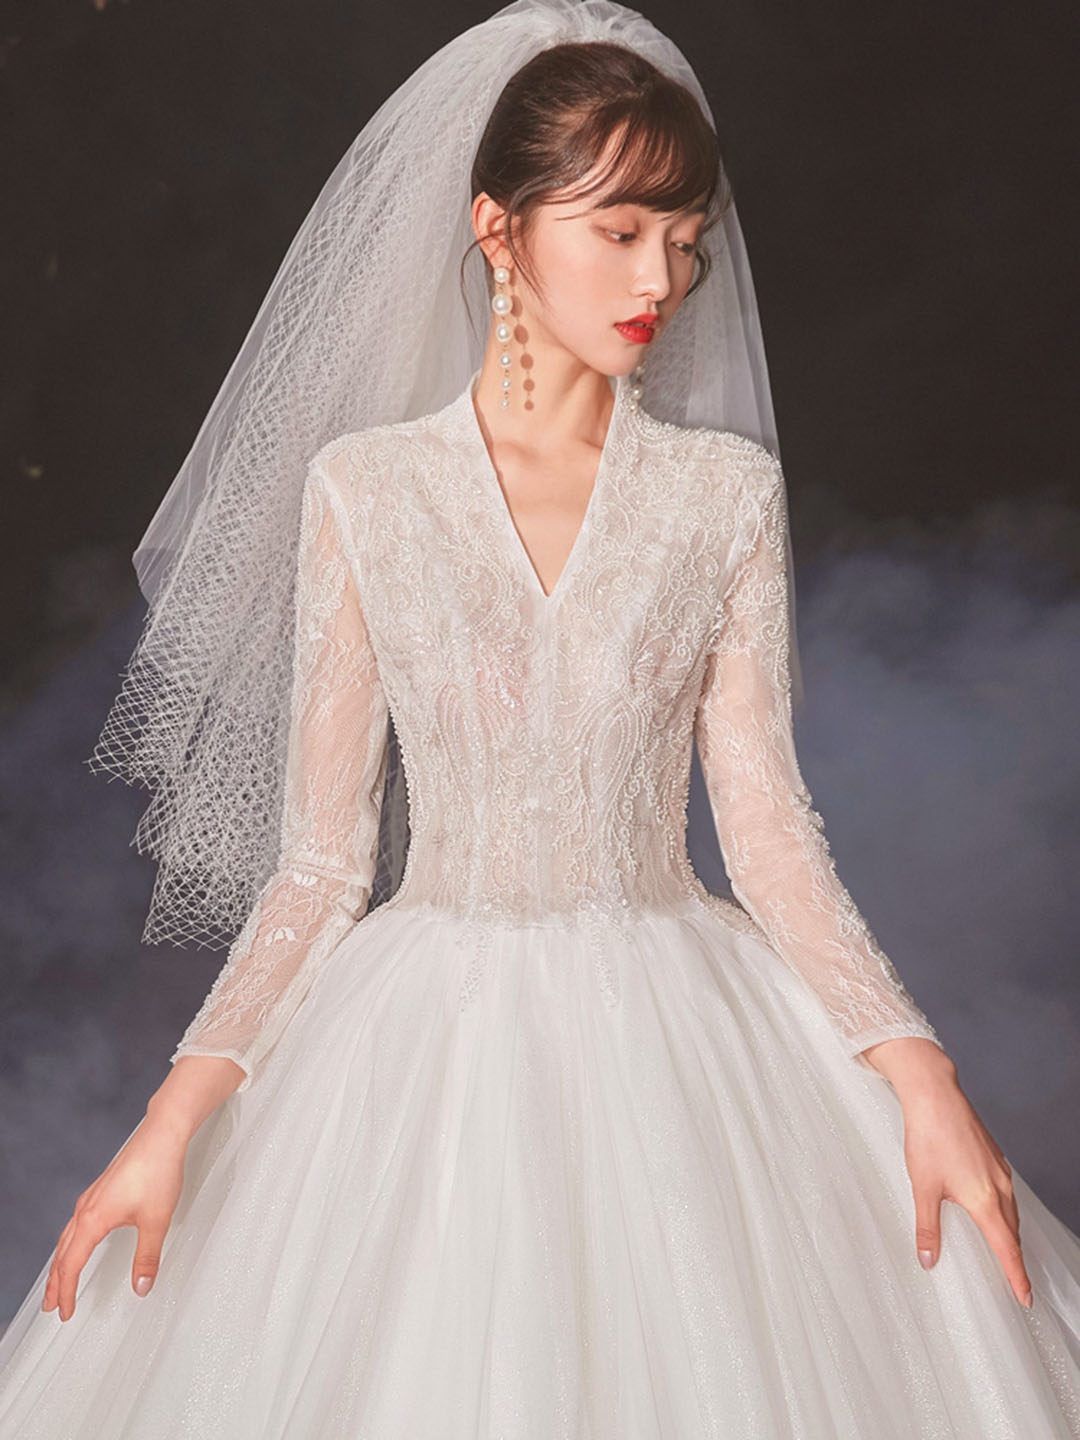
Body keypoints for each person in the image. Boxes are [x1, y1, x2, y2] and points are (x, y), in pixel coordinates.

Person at [2, 1, 1079, 1434]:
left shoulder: (721, 498)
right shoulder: (367, 491)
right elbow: (321, 868)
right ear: (497, 230)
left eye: (685, 236)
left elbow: (769, 835)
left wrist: (920, 1073)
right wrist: (170, 1121)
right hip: (422, 1047)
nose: (662, 275)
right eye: (619, 229)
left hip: (686, 1042)